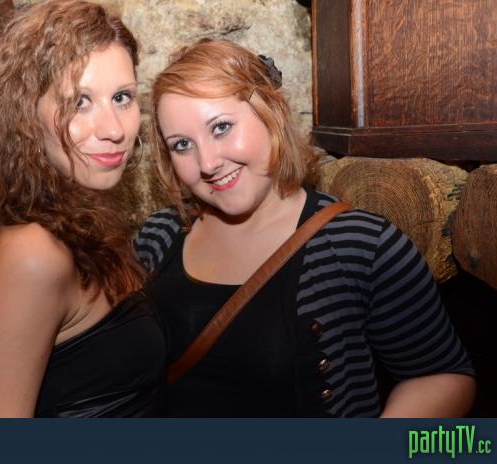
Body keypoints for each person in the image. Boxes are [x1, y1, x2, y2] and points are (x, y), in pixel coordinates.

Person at [135, 39, 476, 417]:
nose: (207, 162)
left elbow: (441, 376)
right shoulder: (157, 237)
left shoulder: (361, 245)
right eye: (182, 144)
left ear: (272, 112)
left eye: (222, 127)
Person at [0, 0, 165, 418]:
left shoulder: (82, 218)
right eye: (80, 102)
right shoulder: (30, 253)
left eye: (122, 97)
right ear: (26, 115)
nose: (114, 129)